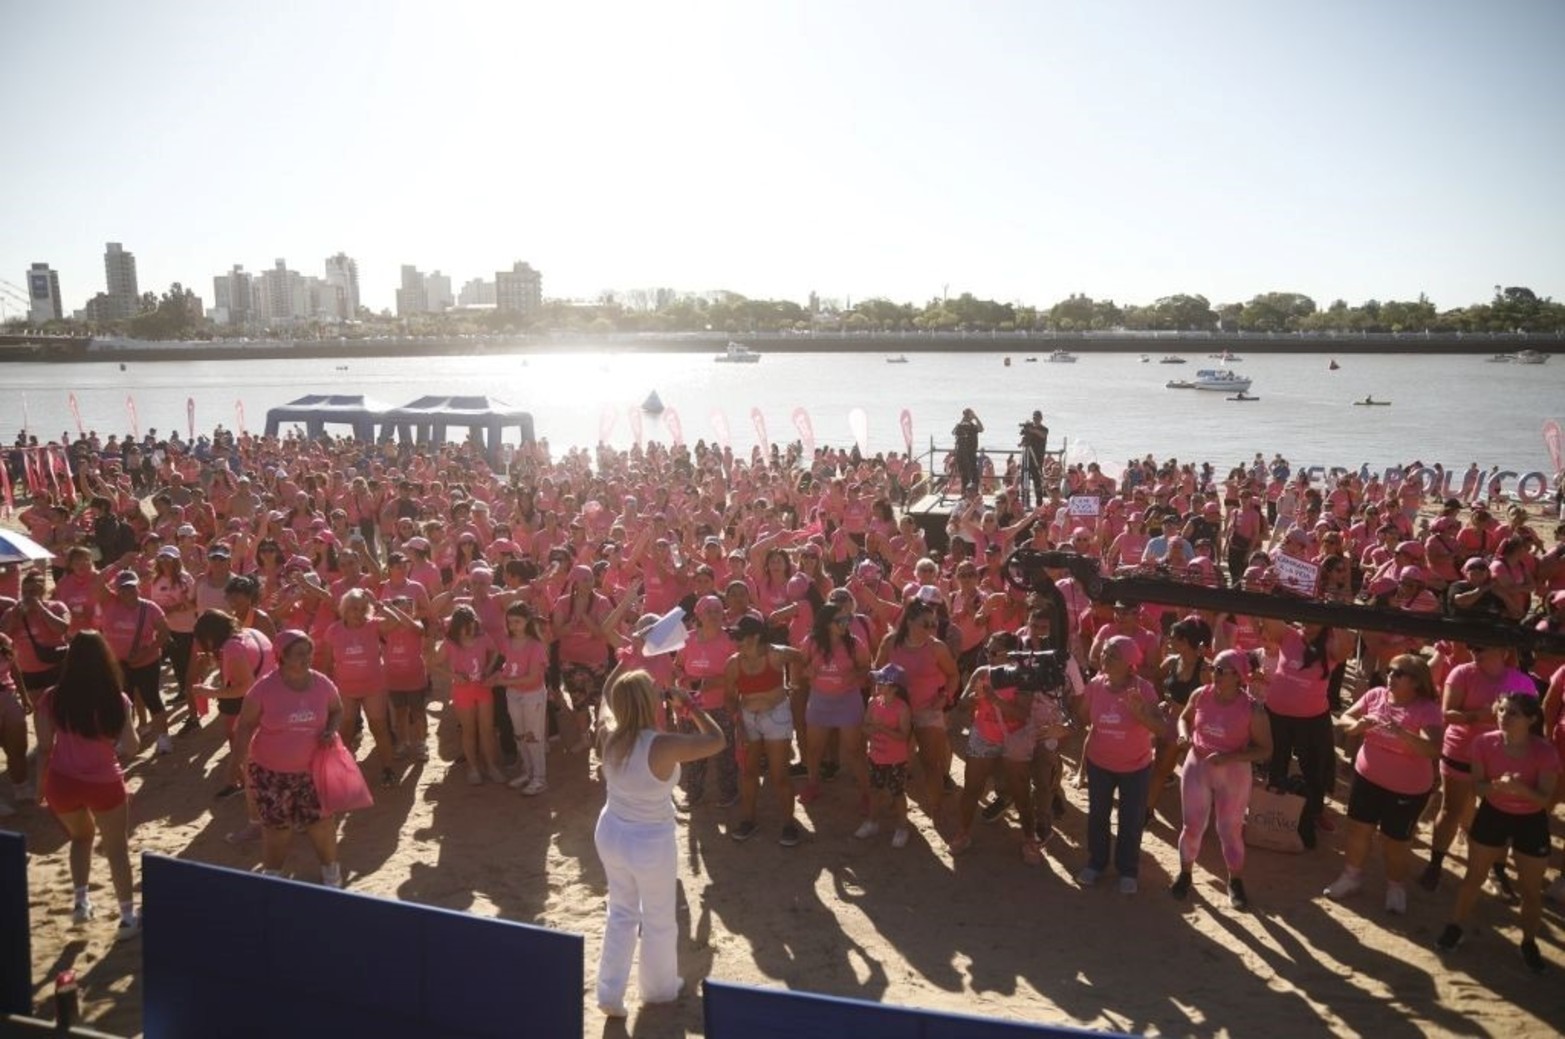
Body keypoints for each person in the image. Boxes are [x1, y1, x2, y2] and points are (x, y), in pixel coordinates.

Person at [594, 670, 725, 1018]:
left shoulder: (608, 732)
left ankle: (609, 992)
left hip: (610, 833)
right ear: (645, 703)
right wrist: (692, 706)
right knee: (659, 918)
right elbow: (717, 739)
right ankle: (659, 991)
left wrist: (621, 664)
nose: (660, 693)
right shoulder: (663, 745)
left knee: (620, 913)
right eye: (654, 691)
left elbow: (607, 695)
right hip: (649, 841)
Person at [1435, 692, 1559, 973]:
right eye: (1501, 710)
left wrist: (1519, 789)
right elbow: (1477, 788)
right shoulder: (1484, 743)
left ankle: (1528, 942)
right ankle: (1455, 927)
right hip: (1493, 814)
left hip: (1531, 820)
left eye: (1512, 712)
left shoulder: (1544, 751)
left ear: (1531, 719)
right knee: (1473, 878)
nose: (1503, 716)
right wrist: (1496, 787)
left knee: (1530, 890)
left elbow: (1543, 800)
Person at [33, 632, 141, 938]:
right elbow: (131, 746)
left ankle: (81, 902)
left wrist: (41, 788)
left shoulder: (53, 697)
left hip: (62, 781)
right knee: (117, 849)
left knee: (81, 839)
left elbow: (43, 748)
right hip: (104, 781)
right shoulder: (116, 699)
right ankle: (127, 917)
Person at [1322, 655, 1443, 914]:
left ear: (1417, 682)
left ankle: (1395, 887)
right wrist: (1359, 725)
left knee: (1395, 841)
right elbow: (1345, 720)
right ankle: (1351, 877)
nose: (1391, 676)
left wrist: (1402, 732)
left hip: (1407, 789)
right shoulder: (1376, 695)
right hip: (1367, 778)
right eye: (1390, 670)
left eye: (1399, 673)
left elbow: (1433, 749)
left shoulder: (1427, 709)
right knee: (1358, 831)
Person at [232, 629, 345, 886]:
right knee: (276, 827)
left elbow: (337, 710)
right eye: (299, 654)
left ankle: (330, 871)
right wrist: (235, 763)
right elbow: (246, 726)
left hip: (313, 770)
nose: (306, 658)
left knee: (322, 823)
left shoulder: (322, 683)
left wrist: (330, 729)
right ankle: (273, 875)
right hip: (272, 772)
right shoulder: (263, 689)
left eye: (309, 652)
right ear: (282, 656)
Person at [1170, 648, 1271, 909]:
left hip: (1233, 772)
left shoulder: (1252, 709)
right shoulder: (1200, 695)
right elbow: (1184, 718)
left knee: (1229, 830)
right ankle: (1185, 874)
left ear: (1239, 677)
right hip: (1198, 764)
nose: (1213, 674)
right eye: (1211, 667)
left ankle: (1235, 881)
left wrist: (1229, 758)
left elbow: (1266, 749)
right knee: (1192, 826)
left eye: (1220, 670)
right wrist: (1183, 734)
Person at [1075, 635, 1163, 894]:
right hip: (1099, 764)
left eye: (1112, 654)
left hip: (1136, 768)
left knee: (1131, 820)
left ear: (1129, 662)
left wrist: (1140, 714)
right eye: (1104, 652)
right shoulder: (1094, 686)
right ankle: (1097, 862)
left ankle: (1127, 870)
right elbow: (1082, 719)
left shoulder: (1144, 689)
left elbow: (1160, 727)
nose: (1104, 657)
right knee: (1098, 816)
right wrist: (1064, 728)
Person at [724, 615, 807, 845]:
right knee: (749, 773)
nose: (736, 642)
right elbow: (730, 699)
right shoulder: (733, 663)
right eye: (735, 637)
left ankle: (788, 824)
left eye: (740, 637)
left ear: (756, 636)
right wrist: (738, 724)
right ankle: (748, 820)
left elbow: (800, 657)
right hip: (749, 718)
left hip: (776, 716)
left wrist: (795, 684)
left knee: (779, 774)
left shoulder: (776, 653)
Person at [858, 664, 913, 847]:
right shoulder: (873, 703)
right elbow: (865, 726)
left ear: (895, 687)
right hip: (875, 756)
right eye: (877, 681)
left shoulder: (902, 708)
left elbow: (904, 736)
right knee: (874, 790)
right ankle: (872, 822)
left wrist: (881, 728)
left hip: (896, 760)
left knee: (897, 793)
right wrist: (870, 729)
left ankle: (902, 827)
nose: (877, 684)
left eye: (882, 682)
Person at [1018, 410, 1050, 503]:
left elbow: (1043, 435)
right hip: (1027, 457)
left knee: (1037, 479)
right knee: (1024, 478)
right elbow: (1023, 438)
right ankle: (1025, 499)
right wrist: (1022, 442)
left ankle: (1039, 501)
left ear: (1041, 419)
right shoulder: (1030, 428)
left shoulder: (1044, 429)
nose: (1035, 420)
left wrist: (1033, 430)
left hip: (1037, 457)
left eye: (1037, 418)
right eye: (1034, 418)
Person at [951, 408, 984, 496]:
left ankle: (966, 494)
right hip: (967, 454)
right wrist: (976, 417)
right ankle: (969, 494)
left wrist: (971, 419)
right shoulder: (968, 426)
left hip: (965, 454)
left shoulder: (965, 426)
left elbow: (953, 432)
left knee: (967, 476)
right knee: (971, 476)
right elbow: (981, 429)